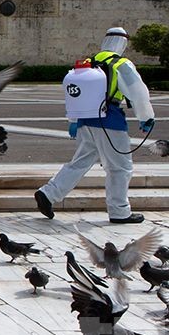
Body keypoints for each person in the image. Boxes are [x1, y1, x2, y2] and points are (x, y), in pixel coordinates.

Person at [35, 27, 156, 224]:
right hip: (110, 123)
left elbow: (76, 95)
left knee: (79, 163)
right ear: (122, 43)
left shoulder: (88, 63)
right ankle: (119, 211)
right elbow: (138, 92)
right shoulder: (121, 64)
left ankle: (48, 193)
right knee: (120, 167)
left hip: (85, 122)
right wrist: (146, 117)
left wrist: (74, 122)